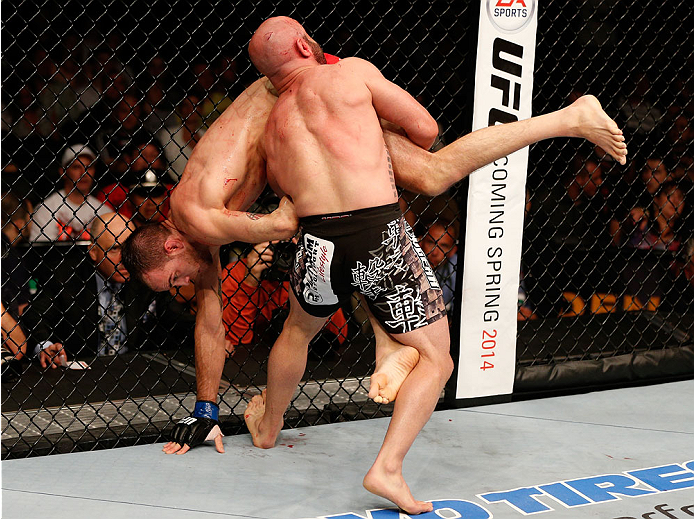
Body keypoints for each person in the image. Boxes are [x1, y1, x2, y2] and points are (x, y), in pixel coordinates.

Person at [120, 17, 627, 476]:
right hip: (312, 159)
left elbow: (271, 223)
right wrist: (204, 410)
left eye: (174, 279)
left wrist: (285, 214)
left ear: (168, 247)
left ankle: (569, 118)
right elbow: (211, 320)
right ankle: (380, 352)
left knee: (422, 179)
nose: (185, 286)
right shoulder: (199, 243)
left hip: (310, 134)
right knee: (357, 233)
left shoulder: (192, 211)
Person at [22, 213, 157, 366]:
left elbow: (175, 316)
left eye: (130, 248)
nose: (125, 258)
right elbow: (34, 315)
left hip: (133, 368)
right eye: (115, 249)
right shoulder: (64, 277)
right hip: (81, 372)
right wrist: (46, 346)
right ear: (93, 251)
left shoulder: (146, 275)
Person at [222, 240, 347, 350]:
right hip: (253, 358)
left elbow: (338, 336)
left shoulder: (308, 270)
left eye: (289, 238)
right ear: (256, 241)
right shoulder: (236, 271)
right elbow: (236, 341)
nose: (282, 246)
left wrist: (310, 275)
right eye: (272, 237)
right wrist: (249, 283)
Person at [29, 144, 111, 242]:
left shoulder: (104, 212)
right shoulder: (46, 209)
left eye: (88, 167)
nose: (83, 173)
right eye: (76, 167)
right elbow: (41, 252)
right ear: (63, 172)